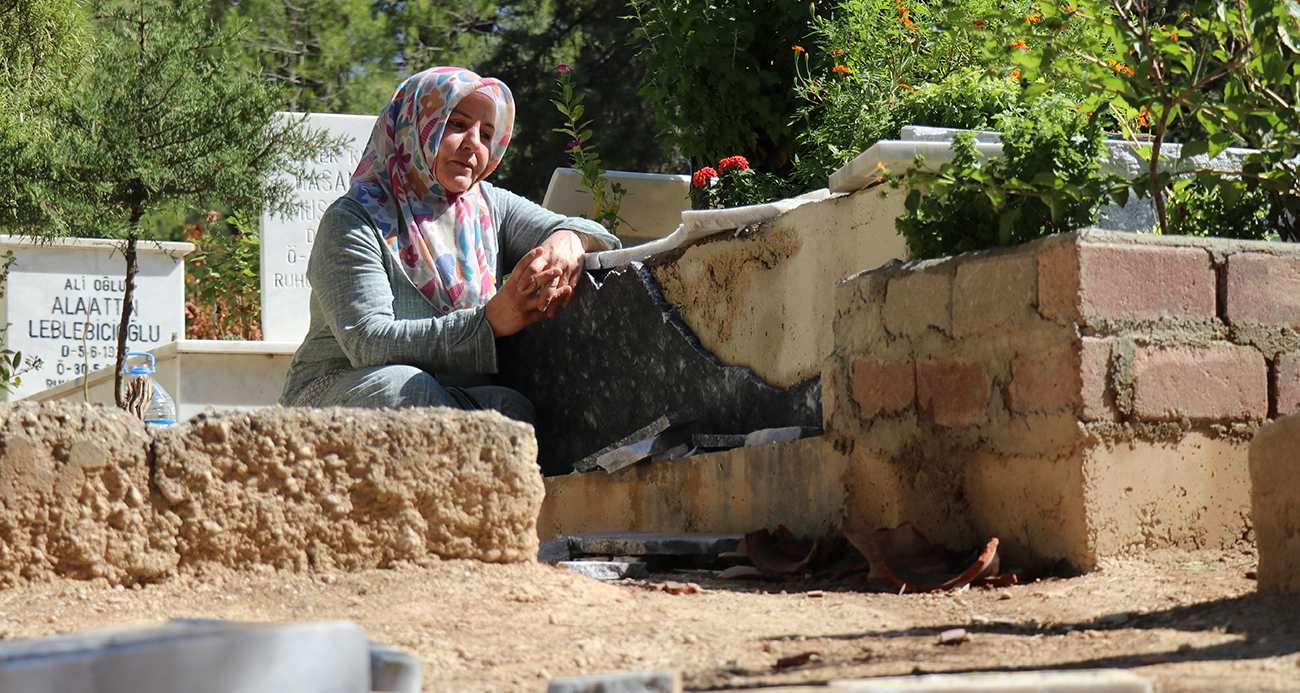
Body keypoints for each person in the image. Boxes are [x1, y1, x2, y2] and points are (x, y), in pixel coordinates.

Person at [278, 66, 619, 423]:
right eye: (457, 125)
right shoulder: (353, 219)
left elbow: (594, 233)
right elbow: (368, 342)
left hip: (446, 397)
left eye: (487, 134)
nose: (474, 143)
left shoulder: (488, 208)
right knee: (410, 389)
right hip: (341, 391)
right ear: (415, 125)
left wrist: (568, 239)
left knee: (511, 411)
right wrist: (487, 324)